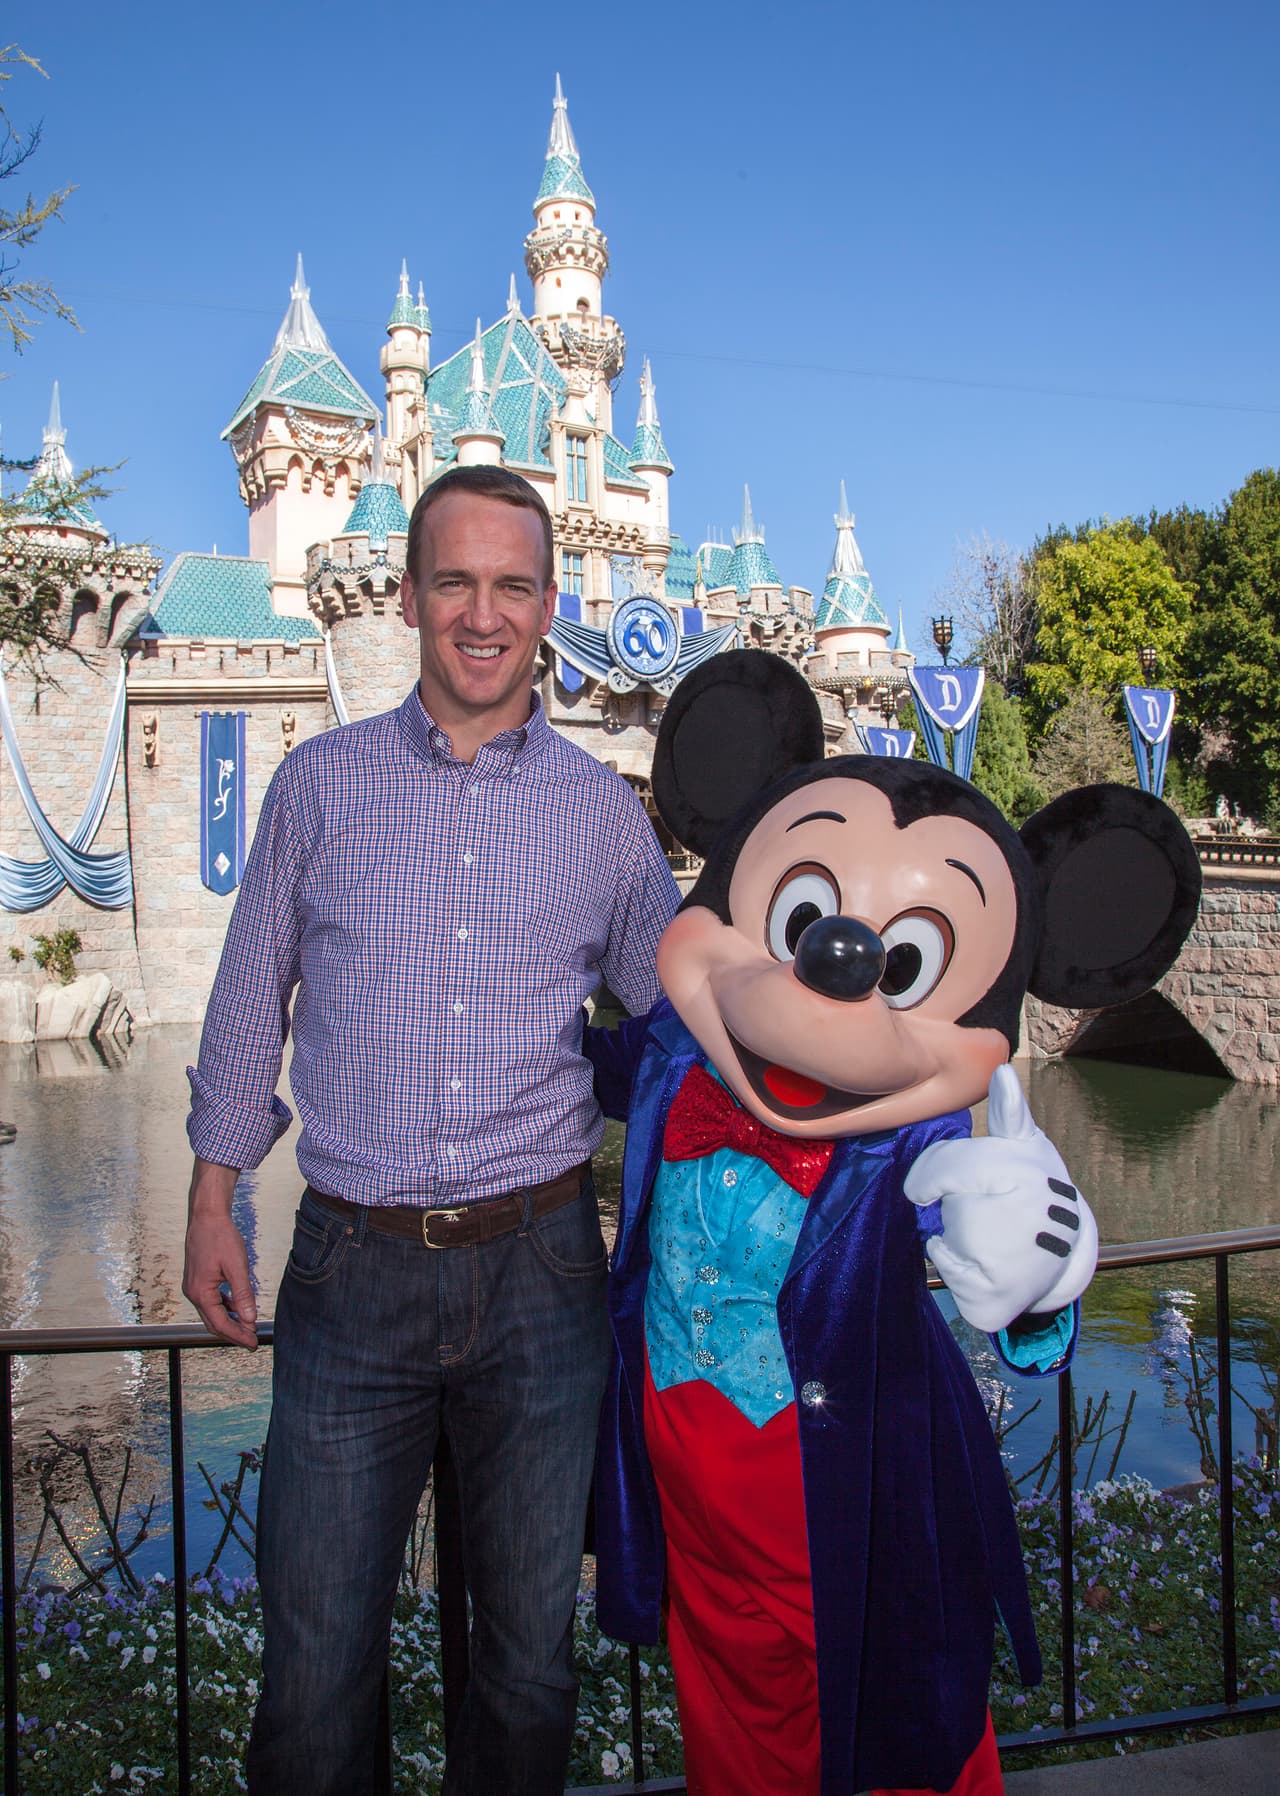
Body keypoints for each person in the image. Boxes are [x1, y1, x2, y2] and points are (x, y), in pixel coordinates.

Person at [182, 463, 680, 1796]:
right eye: (453, 581)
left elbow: (684, 1020)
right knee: (316, 1666)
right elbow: (248, 999)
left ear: (550, 604)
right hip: (354, 1273)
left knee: (526, 1669)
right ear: (405, 597)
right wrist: (209, 1199)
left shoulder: (598, 818)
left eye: (512, 585)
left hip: (540, 1278)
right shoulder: (320, 786)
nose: (482, 614)